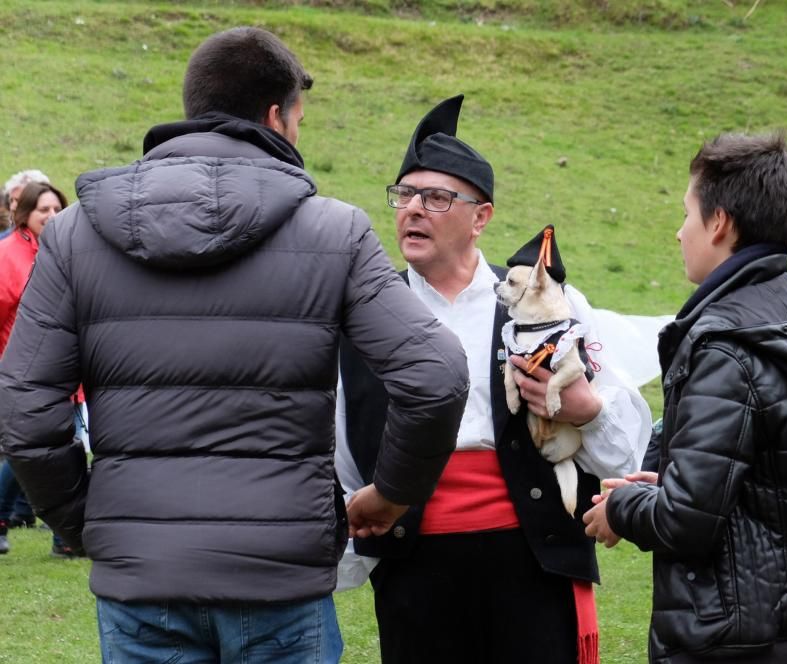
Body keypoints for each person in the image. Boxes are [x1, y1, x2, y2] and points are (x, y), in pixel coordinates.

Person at [0, 27, 470, 663]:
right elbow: (436, 375)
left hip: (145, 578)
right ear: (276, 116)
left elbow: (25, 409)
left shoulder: (74, 235)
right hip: (279, 577)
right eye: (299, 119)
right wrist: (392, 493)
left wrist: (85, 521)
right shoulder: (334, 230)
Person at [336, 95, 652, 664]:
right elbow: (342, 431)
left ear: (481, 217)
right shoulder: (366, 308)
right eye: (405, 195)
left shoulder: (546, 299)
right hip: (414, 562)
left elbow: (622, 442)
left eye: (436, 198)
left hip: (530, 556)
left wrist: (586, 410)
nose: (413, 209)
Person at [583, 132, 787, 663]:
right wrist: (668, 473)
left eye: (687, 213)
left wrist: (622, 508)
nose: (678, 232)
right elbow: (763, 476)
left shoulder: (723, 345)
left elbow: (687, 521)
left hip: (744, 633)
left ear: (720, 224)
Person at [0, 181, 77, 558]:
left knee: (56, 449)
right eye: (43, 210)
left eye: (57, 209)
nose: (52, 216)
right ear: (23, 214)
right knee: (29, 451)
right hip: (20, 374)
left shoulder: (67, 250)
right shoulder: (6, 255)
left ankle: (64, 537)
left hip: (64, 372)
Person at [1, 170, 51, 240]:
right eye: (11, 201)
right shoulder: (3, 242)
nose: (13, 207)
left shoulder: (61, 235)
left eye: (19, 200)